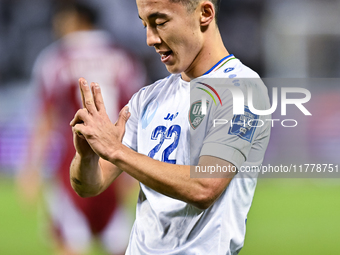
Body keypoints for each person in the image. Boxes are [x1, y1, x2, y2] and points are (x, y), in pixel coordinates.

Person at [70, 0, 271, 254]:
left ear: (205, 14)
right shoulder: (148, 98)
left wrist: (117, 152)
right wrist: (86, 156)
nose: (150, 39)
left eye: (160, 22)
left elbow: (204, 186)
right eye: (144, 25)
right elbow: (89, 186)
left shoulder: (241, 89)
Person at [17, 2, 146, 255]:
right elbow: (136, 115)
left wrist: (31, 168)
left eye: (61, 18)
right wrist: (133, 169)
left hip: (73, 168)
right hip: (115, 168)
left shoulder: (58, 58)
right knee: (120, 245)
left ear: (75, 19)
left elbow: (46, 118)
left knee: (68, 244)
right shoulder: (124, 58)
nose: (57, 24)